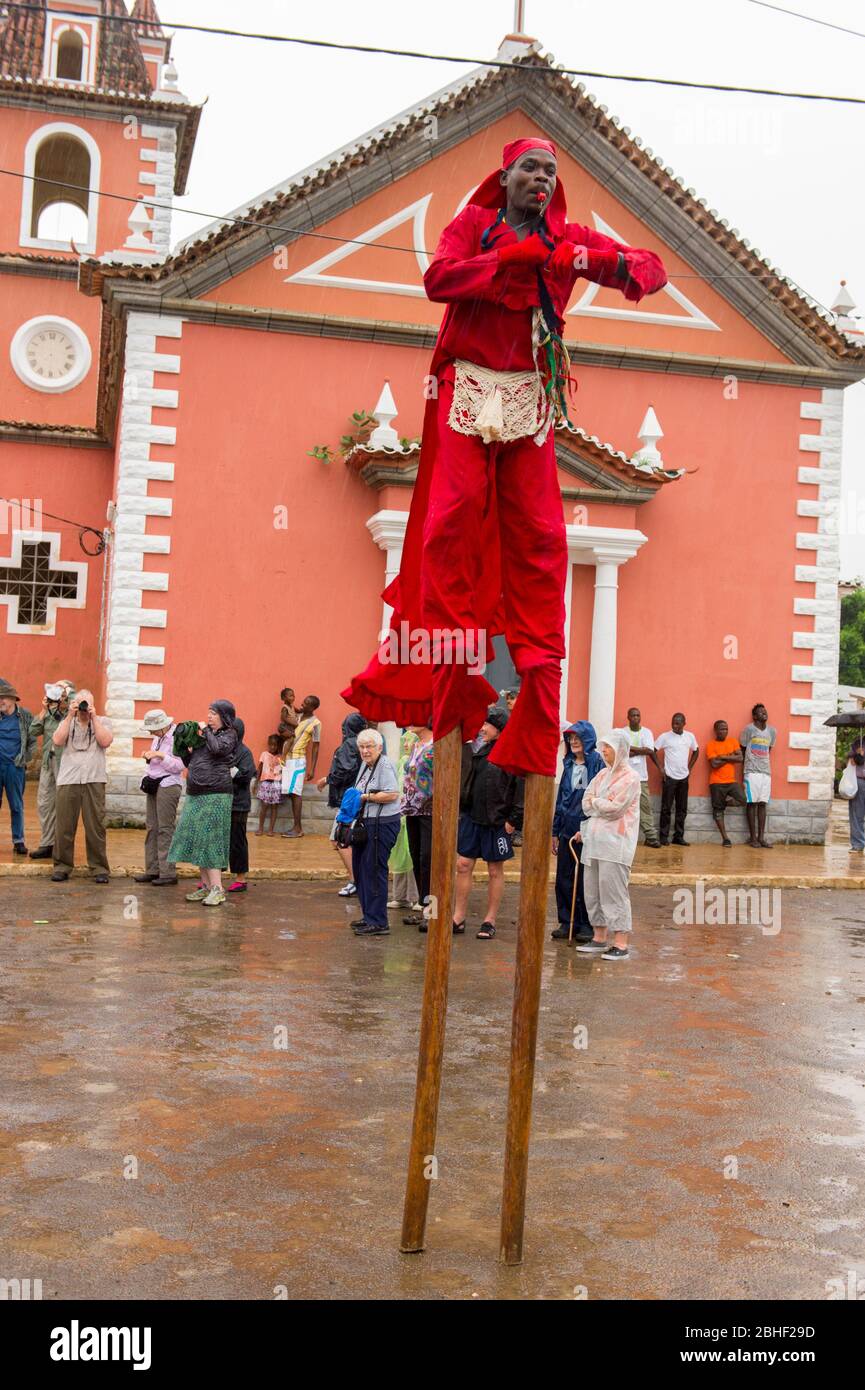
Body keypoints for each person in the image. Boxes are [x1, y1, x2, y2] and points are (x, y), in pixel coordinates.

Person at [342, 139, 667, 779]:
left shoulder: (565, 239)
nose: (541, 177)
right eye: (530, 167)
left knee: (542, 537)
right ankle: (459, 676)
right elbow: (438, 278)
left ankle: (538, 704)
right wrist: (504, 267)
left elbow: (650, 269)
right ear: (506, 176)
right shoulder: (474, 224)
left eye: (550, 169)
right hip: (463, 387)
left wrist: (584, 258)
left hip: (528, 396)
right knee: (451, 519)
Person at [452, 706, 524, 940]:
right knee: (463, 864)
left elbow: (519, 788)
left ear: (500, 729)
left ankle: (489, 920)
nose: (482, 728)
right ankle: (458, 917)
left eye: (488, 725)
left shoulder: (511, 752)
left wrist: (513, 820)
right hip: (472, 817)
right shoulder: (477, 749)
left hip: (497, 821)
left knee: (495, 869)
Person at [575, 730, 640, 961]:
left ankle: (621, 943)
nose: (603, 751)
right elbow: (586, 803)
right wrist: (599, 803)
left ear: (621, 749)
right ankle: (599, 937)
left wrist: (597, 803)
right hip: (594, 843)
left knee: (614, 893)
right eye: (603, 747)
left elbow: (616, 809)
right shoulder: (602, 775)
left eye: (608, 747)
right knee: (593, 891)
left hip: (615, 845)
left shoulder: (631, 778)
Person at [169, 701, 238, 907]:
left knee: (211, 841)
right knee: (198, 838)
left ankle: (218, 889)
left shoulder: (229, 735)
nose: (209, 717)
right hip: (196, 793)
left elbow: (217, 750)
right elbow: (188, 761)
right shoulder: (205, 736)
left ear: (224, 717)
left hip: (216, 795)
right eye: (208, 713)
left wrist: (204, 732)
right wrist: (182, 743)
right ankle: (206, 887)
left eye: (214, 714)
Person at [51, 688, 113, 882]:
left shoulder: (102, 722)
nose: (84, 707)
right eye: (80, 703)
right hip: (69, 779)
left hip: (94, 778)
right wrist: (70, 715)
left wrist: (93, 718)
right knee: (64, 825)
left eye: (87, 703)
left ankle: (99, 868)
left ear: (93, 704)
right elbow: (57, 741)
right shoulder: (68, 721)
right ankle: (62, 866)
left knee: (95, 826)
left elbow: (105, 741)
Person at [550, 721, 604, 941]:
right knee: (563, 877)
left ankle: (585, 924)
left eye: (577, 738)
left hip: (587, 829)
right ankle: (566, 921)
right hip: (566, 829)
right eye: (570, 738)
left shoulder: (597, 765)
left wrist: (589, 827)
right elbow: (562, 799)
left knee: (585, 878)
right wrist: (555, 830)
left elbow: (598, 798)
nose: (573, 742)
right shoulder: (569, 765)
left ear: (587, 740)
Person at [349, 729, 401, 937]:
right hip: (365, 823)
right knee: (361, 869)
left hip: (383, 823)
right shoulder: (365, 764)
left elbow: (392, 793)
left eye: (369, 746)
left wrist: (365, 797)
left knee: (374, 870)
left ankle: (378, 921)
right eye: (361, 747)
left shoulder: (385, 765)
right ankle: (368, 915)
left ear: (379, 747)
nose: (365, 750)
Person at [317, 711, 367, 897]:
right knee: (349, 840)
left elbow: (344, 771)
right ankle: (358, 878)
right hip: (357, 798)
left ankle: (355, 880)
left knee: (339, 839)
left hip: (348, 800)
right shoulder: (362, 745)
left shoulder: (348, 745)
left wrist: (327, 779)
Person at [134, 709, 184, 885]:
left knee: (165, 828)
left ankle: (168, 872)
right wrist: (149, 757)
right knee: (152, 827)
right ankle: (153, 869)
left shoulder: (177, 737)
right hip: (154, 784)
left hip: (169, 785)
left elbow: (180, 766)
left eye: (152, 729)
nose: (150, 733)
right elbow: (156, 762)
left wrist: (160, 755)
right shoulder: (158, 737)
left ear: (162, 726)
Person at [28, 680, 74, 860]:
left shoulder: (74, 713)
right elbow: (33, 731)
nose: (58, 693)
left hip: (67, 764)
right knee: (45, 803)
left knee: (63, 805)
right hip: (49, 761)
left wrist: (68, 699)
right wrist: (44, 709)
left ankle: (60, 846)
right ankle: (46, 844)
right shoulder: (50, 712)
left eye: (62, 689)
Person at [400, 723, 434, 927]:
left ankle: (433, 913)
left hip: (431, 808)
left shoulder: (438, 744)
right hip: (412, 808)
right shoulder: (415, 744)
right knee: (416, 855)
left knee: (429, 859)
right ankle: (423, 907)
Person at [0, 677, 35, 855]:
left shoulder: (25, 716)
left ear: (13, 699)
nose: (0, 702)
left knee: (16, 805)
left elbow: (32, 740)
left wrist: (23, 759)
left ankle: (19, 841)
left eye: (2, 698)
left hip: (15, 768)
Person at [656, 713, 699, 846]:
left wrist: (689, 768)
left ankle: (678, 837)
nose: (675, 725)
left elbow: (696, 751)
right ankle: (663, 836)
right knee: (666, 808)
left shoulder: (690, 736)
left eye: (678, 722)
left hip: (683, 778)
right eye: (673, 722)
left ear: (684, 723)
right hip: (669, 777)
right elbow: (652, 750)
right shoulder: (665, 736)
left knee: (682, 808)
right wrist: (661, 769)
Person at [388, 728, 420, 910]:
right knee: (398, 854)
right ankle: (400, 896)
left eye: (410, 740)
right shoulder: (400, 762)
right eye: (405, 740)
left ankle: (416, 897)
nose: (407, 744)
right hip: (398, 813)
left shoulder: (418, 762)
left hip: (412, 812)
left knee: (412, 854)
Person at [282, 695, 321, 838]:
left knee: (296, 793)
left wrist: (312, 768)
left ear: (313, 707)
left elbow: (316, 746)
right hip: (288, 759)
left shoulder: (316, 723)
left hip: (298, 760)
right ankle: (296, 827)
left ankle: (298, 828)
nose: (302, 704)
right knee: (291, 793)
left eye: (306, 704)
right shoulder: (296, 716)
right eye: (303, 702)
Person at [621, 706, 661, 847]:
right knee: (623, 806)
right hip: (625, 776)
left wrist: (631, 749)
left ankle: (650, 836)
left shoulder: (647, 732)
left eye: (638, 715)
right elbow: (621, 750)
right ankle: (622, 835)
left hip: (641, 777)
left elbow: (649, 750)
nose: (636, 718)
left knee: (645, 806)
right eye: (633, 715)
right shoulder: (623, 733)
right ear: (628, 717)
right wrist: (640, 750)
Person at [740, 703, 777, 848]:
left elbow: (769, 749)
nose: (764, 714)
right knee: (751, 803)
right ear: (754, 716)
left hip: (766, 772)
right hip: (751, 772)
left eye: (765, 711)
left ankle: (762, 837)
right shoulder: (749, 729)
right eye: (760, 712)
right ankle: (752, 837)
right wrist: (748, 765)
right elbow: (742, 748)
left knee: (763, 804)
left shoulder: (772, 731)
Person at [706, 718, 746, 846]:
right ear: (716, 730)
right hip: (716, 782)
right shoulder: (711, 745)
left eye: (726, 729)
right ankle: (725, 838)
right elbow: (714, 764)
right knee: (718, 811)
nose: (725, 731)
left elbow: (740, 758)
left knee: (743, 799)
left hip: (731, 781)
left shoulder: (733, 741)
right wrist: (730, 757)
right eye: (722, 729)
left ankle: (723, 803)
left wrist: (722, 756)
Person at [228, 717, 256, 892]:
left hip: (238, 803)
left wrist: (231, 771)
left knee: (237, 841)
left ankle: (241, 878)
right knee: (220, 840)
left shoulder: (244, 752)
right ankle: (214, 877)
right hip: (222, 800)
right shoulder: (224, 749)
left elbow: (247, 774)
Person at [255, 733, 284, 836]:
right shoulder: (264, 754)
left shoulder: (281, 757)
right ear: (268, 744)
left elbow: (284, 771)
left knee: (274, 807)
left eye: (275, 745)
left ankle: (271, 829)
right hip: (265, 783)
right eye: (271, 745)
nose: (273, 747)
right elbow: (260, 768)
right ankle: (260, 828)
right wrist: (255, 783)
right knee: (264, 806)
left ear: (278, 746)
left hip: (276, 784)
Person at [846, 732, 865, 854]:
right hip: (860, 782)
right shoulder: (859, 743)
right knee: (857, 814)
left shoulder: (859, 743)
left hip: (860, 781)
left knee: (857, 814)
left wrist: (858, 754)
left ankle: (858, 844)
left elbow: (852, 762)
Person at [278, 687, 299, 757]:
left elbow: (298, 711)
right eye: (291, 696)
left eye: (294, 696)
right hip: (285, 727)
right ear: (284, 698)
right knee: (291, 738)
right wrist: (293, 723)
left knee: (292, 739)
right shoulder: (285, 708)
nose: (293, 698)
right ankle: (284, 755)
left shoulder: (292, 706)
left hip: (290, 727)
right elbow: (283, 718)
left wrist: (303, 710)